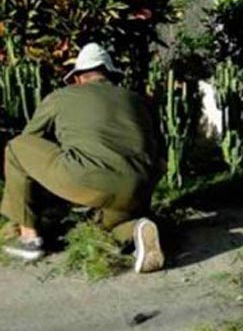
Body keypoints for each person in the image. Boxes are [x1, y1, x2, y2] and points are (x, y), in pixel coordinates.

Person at [1, 43, 165, 273]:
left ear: (77, 78)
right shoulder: (138, 101)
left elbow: (30, 142)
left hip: (89, 178)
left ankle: (29, 238)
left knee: (17, 148)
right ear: (110, 75)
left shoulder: (60, 97)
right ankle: (137, 229)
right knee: (109, 223)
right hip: (139, 187)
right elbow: (161, 158)